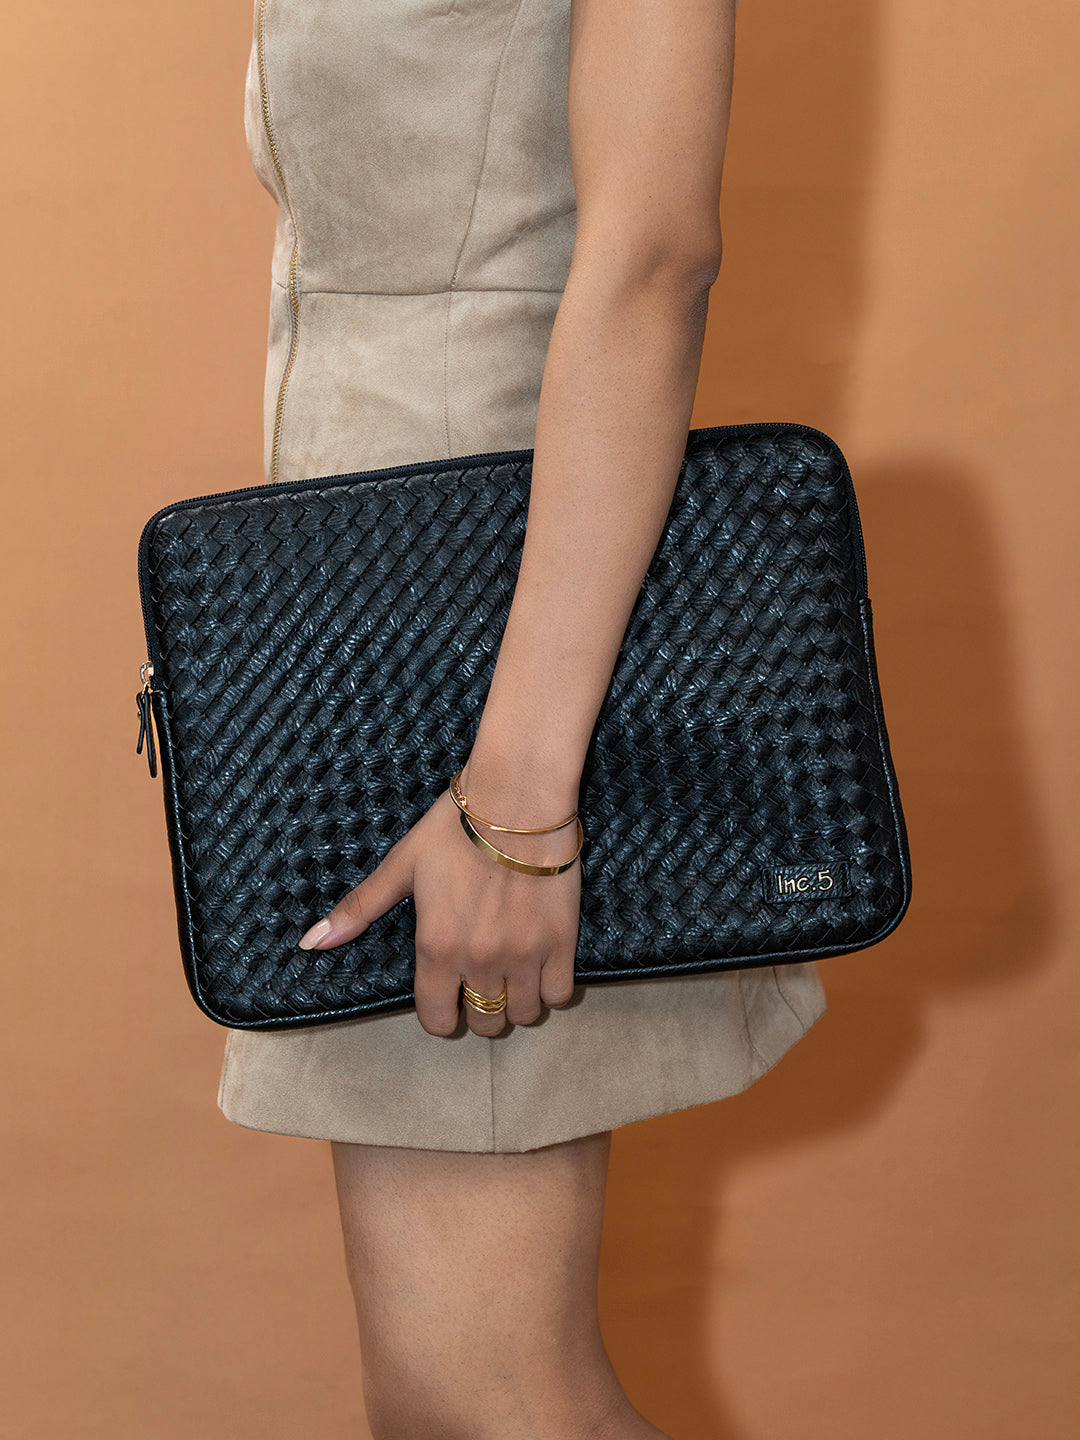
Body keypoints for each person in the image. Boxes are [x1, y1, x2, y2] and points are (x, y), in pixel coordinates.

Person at [218, 2, 826, 1436]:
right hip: (367, 618)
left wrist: (520, 803)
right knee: (449, 1400)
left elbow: (655, 255)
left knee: (484, 1391)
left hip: (488, 633)